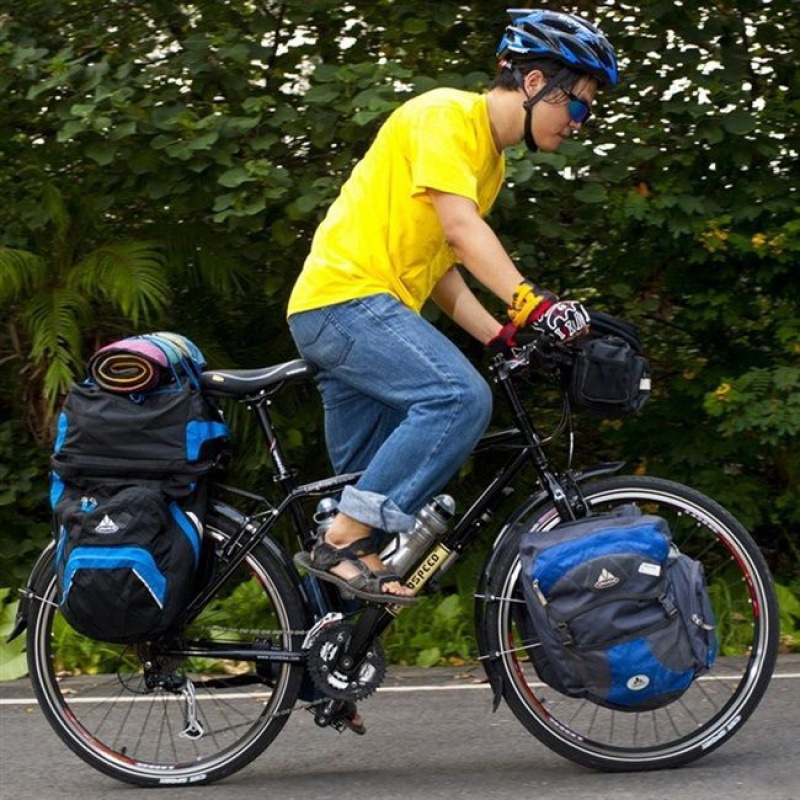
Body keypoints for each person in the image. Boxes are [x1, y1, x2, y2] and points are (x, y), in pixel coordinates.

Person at [288, 9, 618, 605]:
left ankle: (325, 652)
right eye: (578, 105)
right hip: (346, 301)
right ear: (535, 83)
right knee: (458, 398)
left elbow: (442, 265)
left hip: (355, 312)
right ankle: (341, 543)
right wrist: (531, 304)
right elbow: (463, 232)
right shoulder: (446, 115)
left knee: (359, 506)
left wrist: (500, 335)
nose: (579, 122)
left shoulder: (489, 162)